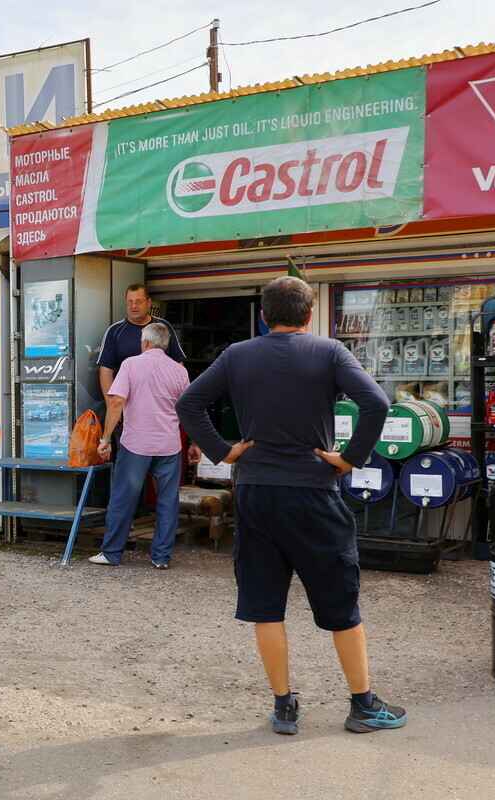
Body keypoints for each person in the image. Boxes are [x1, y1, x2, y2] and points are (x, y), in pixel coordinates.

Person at [175, 276, 405, 736]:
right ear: (308, 315)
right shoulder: (329, 353)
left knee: (265, 605)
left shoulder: (238, 355)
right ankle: (362, 705)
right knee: (341, 602)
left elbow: (188, 403)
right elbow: (376, 403)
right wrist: (348, 459)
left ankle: (283, 706)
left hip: (257, 493)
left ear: (263, 316)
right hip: (315, 493)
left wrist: (224, 450)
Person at [88, 323, 192, 569]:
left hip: (136, 444)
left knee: (124, 498)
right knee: (167, 501)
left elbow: (115, 403)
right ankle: (161, 557)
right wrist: (194, 443)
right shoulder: (179, 371)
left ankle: (112, 553)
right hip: (169, 445)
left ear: (145, 343)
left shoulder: (131, 365)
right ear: (165, 344)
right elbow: (189, 409)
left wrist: (105, 439)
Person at [97, 283, 186, 397]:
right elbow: (106, 370)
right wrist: (111, 403)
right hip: (127, 403)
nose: (134, 306)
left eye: (138, 302)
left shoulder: (163, 327)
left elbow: (178, 364)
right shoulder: (114, 331)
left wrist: (177, 399)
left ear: (149, 303)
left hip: (161, 402)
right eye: (130, 302)